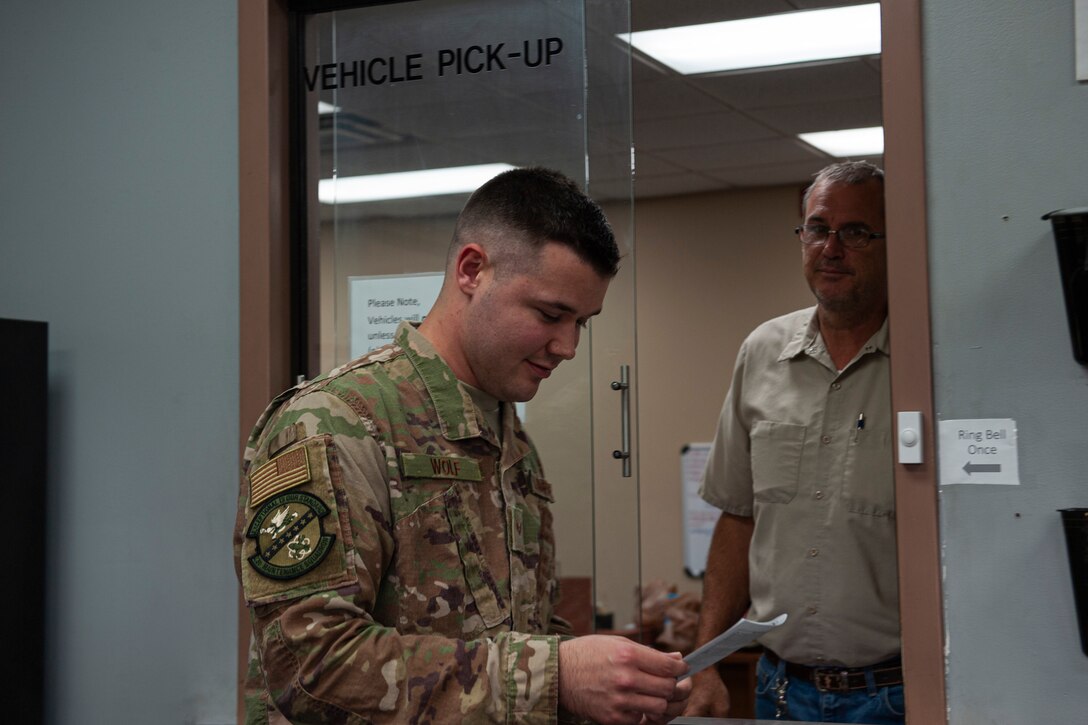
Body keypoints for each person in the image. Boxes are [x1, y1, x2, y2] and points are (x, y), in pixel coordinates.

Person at [234, 167, 690, 725]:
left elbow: (525, 629)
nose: (567, 346)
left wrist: (611, 687)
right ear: (472, 270)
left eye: (582, 324)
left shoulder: (506, 437)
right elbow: (309, 666)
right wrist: (553, 676)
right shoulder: (336, 423)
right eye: (550, 315)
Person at [684, 161, 903, 724]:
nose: (831, 248)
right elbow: (738, 517)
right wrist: (705, 662)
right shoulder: (762, 352)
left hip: (896, 691)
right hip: (782, 691)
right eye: (816, 228)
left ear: (891, 240)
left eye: (854, 232)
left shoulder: (925, 361)